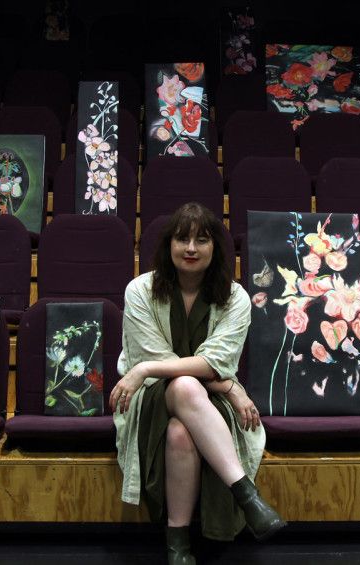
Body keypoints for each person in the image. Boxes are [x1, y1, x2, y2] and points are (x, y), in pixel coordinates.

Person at [112, 202, 285, 564]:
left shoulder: (236, 297)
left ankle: (178, 543)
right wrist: (228, 387)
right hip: (149, 399)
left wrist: (151, 369)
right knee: (185, 386)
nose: (191, 248)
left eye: (201, 240)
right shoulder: (140, 291)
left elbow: (217, 360)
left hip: (203, 403)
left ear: (215, 248)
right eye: (182, 239)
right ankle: (246, 494)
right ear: (168, 245)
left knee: (180, 431)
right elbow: (154, 358)